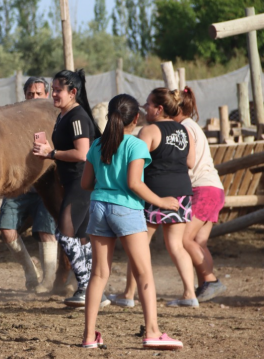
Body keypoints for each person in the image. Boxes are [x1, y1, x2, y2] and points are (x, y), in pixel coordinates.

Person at [80, 94, 183, 350]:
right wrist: (162, 201)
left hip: (98, 207)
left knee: (98, 274)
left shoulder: (96, 146)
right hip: (126, 210)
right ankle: (152, 332)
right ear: (135, 118)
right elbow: (135, 184)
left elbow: (84, 184)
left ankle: (89, 337)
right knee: (143, 272)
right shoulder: (135, 145)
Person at [109, 87, 198, 308]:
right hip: (182, 192)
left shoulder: (149, 131)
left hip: (155, 192)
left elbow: (136, 161)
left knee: (137, 244)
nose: (144, 107)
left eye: (148, 104)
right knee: (176, 245)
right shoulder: (185, 131)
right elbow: (190, 162)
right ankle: (190, 294)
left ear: (159, 109)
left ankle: (128, 295)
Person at [32, 69, 110, 308]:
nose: (53, 94)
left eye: (57, 90)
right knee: (81, 238)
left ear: (73, 92)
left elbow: (82, 153)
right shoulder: (64, 116)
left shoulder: (77, 117)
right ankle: (96, 291)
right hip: (74, 183)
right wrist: (48, 148)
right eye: (53, 89)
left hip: (81, 183)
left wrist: (51, 153)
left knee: (65, 236)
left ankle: (87, 288)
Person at [0, 77, 60, 294]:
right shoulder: (14, 120)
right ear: (24, 96)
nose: (34, 98)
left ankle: (49, 279)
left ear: (47, 95)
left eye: (38, 94)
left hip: (47, 185)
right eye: (30, 94)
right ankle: (30, 272)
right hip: (19, 185)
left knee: (47, 232)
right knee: (7, 230)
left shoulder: (58, 118)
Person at [174, 87, 227, 301]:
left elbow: (190, 162)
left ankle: (211, 280)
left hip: (203, 189)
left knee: (185, 239)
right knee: (198, 240)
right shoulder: (191, 125)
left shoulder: (185, 128)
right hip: (212, 188)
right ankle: (205, 284)